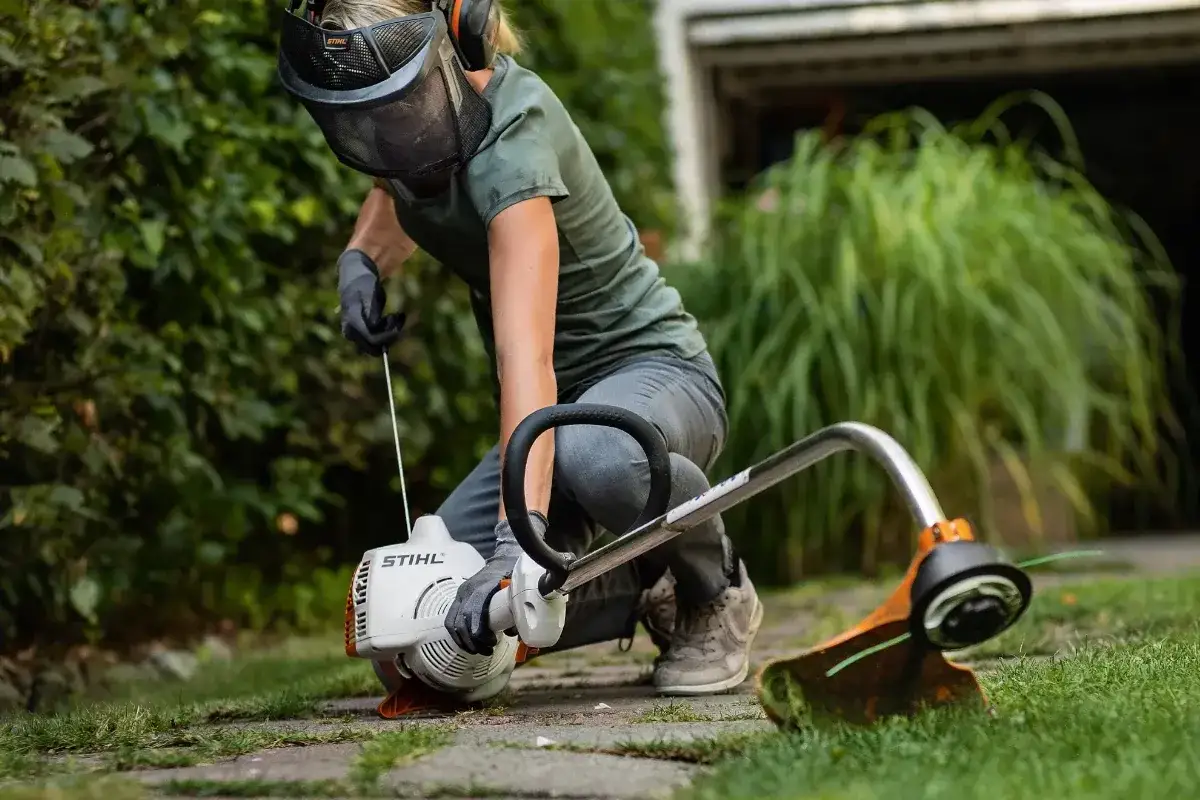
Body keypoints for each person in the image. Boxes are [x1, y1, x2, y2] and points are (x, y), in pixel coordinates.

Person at [306, 0, 762, 695]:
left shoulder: (512, 136)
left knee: (596, 457)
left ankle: (713, 590)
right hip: (560, 408)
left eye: (391, 98)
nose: (378, 127)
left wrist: (512, 546)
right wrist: (361, 261)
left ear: (448, 41)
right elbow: (393, 190)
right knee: (413, 632)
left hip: (655, 376)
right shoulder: (416, 120)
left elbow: (526, 360)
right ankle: (643, 581)